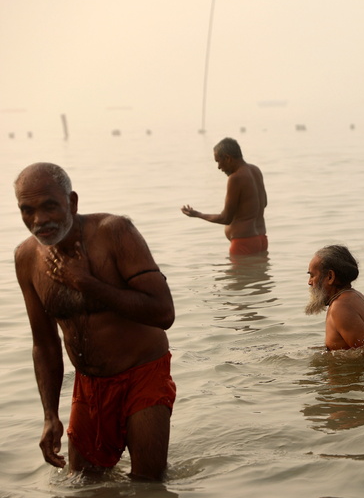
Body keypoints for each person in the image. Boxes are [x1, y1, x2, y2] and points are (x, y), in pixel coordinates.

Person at [13, 163, 176, 480]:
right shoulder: (26, 258)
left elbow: (164, 313)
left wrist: (87, 284)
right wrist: (50, 416)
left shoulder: (114, 233)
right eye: (27, 210)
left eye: (49, 206)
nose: (39, 220)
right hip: (89, 386)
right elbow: (44, 344)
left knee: (149, 486)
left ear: (71, 202)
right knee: (83, 487)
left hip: (143, 372)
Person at [181, 137, 268, 255]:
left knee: (240, 274)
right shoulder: (255, 170)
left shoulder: (236, 178)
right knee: (258, 273)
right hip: (261, 239)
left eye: (218, 161)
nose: (218, 167)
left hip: (243, 243)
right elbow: (264, 203)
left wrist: (197, 214)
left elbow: (226, 218)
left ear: (227, 158)